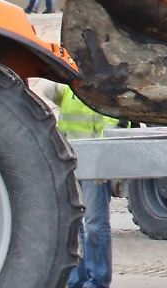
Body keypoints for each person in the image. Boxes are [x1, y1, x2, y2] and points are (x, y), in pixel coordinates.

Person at [39, 81, 114, 286]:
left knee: (95, 224)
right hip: (72, 160)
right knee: (76, 225)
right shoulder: (72, 86)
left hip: (95, 163)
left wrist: (103, 164)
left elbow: (111, 126)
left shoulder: (104, 91)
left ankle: (98, 279)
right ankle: (76, 279)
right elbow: (48, 89)